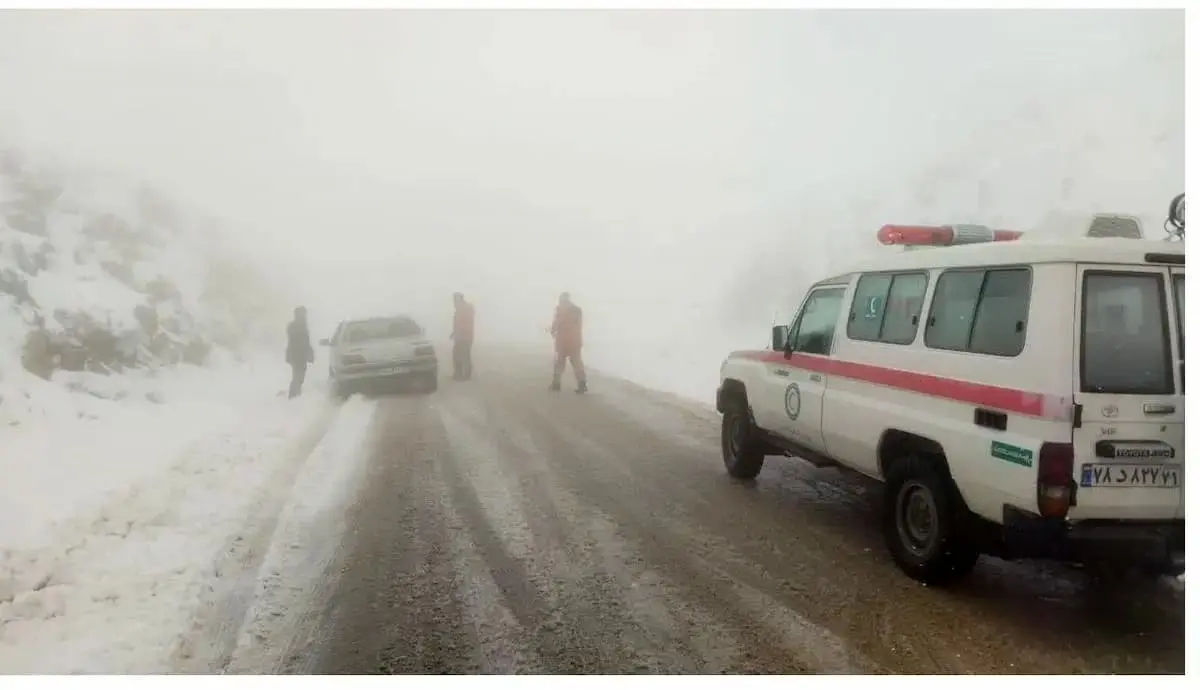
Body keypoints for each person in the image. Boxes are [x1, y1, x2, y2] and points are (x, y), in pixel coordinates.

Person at [549, 292, 587, 393]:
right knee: (577, 363)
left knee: (559, 362)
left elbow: (557, 322)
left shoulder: (561, 309)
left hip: (563, 340)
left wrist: (553, 330)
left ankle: (556, 384)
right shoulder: (577, 310)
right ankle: (582, 384)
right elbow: (579, 325)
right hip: (575, 340)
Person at [286, 306, 314, 398]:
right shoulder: (298, 326)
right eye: (304, 314)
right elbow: (303, 342)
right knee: (298, 375)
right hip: (298, 355)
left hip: (298, 355)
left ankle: (295, 393)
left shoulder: (299, 326)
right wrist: (309, 353)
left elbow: (306, 341)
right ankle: (294, 394)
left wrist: (310, 353)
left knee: (299, 375)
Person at [451, 292, 476, 381]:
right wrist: (454, 333)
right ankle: (462, 374)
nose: (453, 302)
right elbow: (458, 323)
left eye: (454, 299)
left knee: (461, 355)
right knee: (462, 355)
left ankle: (462, 374)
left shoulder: (464, 309)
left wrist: (459, 333)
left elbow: (464, 323)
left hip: (464, 337)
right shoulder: (462, 309)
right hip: (464, 337)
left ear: (459, 299)